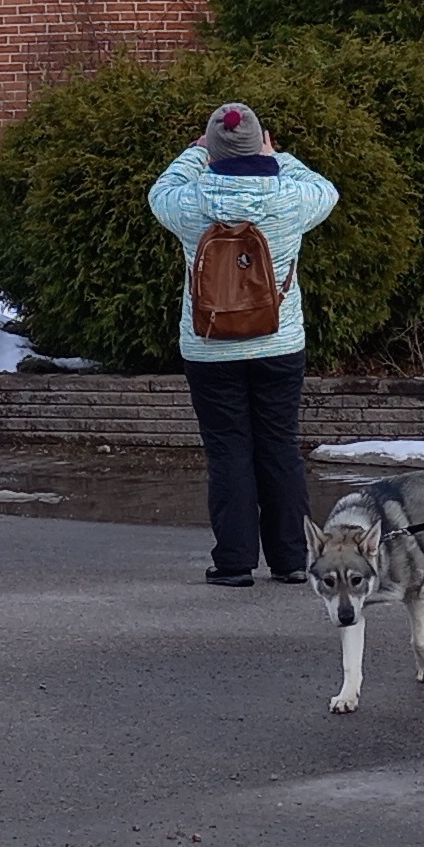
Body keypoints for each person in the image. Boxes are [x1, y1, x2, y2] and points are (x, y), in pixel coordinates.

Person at [149, 103, 340, 587]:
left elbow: (160, 191)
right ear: (260, 142)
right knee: (279, 447)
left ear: (210, 147)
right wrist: (279, 157)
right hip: (279, 343)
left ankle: (234, 562)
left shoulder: (188, 203)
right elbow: (326, 190)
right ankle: (292, 559)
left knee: (228, 450)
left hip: (210, 347)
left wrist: (195, 155)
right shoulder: (291, 199)